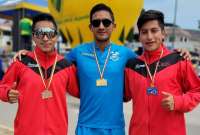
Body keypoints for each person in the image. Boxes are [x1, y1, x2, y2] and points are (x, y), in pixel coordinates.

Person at [13, 4, 191, 135]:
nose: (101, 26)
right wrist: (28, 54)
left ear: (113, 25)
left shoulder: (127, 55)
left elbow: (148, 64)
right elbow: (50, 64)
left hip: (115, 128)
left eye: (106, 22)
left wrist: (180, 53)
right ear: (90, 27)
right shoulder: (77, 53)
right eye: (96, 22)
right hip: (85, 127)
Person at [0, 14, 79, 135]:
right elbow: (2, 87)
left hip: (57, 132)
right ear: (33, 37)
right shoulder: (21, 62)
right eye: (40, 33)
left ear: (56, 36)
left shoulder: (66, 66)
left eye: (50, 33)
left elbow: (81, 91)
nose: (45, 38)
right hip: (26, 131)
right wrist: (6, 93)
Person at [125, 10, 200, 135]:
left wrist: (178, 102)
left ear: (163, 33)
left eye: (154, 31)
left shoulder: (178, 60)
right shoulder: (131, 66)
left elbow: (197, 90)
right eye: (144, 32)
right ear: (139, 36)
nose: (149, 37)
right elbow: (123, 95)